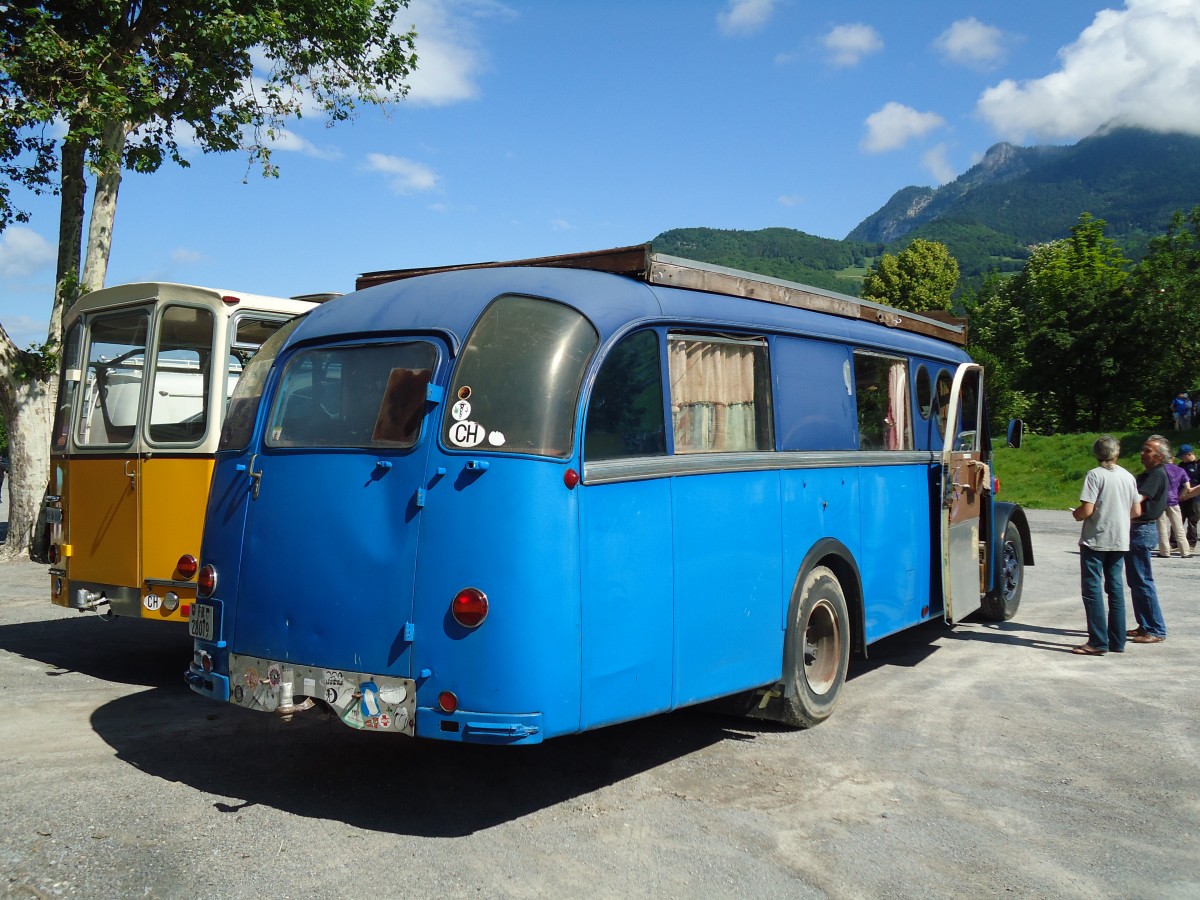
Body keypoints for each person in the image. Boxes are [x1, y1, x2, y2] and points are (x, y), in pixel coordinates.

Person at [1071, 435, 1141, 655]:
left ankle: (1098, 641)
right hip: (1120, 539)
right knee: (1116, 590)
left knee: (1092, 591)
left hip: (1097, 539)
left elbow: (1088, 510)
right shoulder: (1128, 476)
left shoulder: (1094, 475)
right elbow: (1136, 511)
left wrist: (1077, 514)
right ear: (1117, 453)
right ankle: (1117, 641)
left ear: (1097, 454)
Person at [1126, 436, 1171, 643]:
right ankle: (1145, 624)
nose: (1142, 454)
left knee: (1142, 581)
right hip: (1139, 529)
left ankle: (1155, 629)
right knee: (1136, 580)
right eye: (1143, 450)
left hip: (1142, 529)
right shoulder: (1149, 473)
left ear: (1159, 456)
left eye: (1147, 451)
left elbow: (1137, 499)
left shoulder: (1156, 474)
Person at [1156, 453, 1192, 558]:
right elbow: (1187, 486)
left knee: (1162, 528)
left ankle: (1164, 552)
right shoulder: (1179, 470)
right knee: (1179, 527)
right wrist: (1180, 495)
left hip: (1160, 501)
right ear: (1172, 459)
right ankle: (1185, 551)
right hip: (1173, 500)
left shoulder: (1158, 470)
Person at [1178, 444, 1200, 548]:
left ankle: (1191, 543)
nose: (1181, 458)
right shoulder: (1181, 465)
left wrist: (1193, 491)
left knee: (1192, 520)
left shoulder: (1198, 465)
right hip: (1181, 496)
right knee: (1178, 519)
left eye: (1182, 456)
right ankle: (1174, 542)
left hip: (1195, 497)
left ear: (1189, 454)